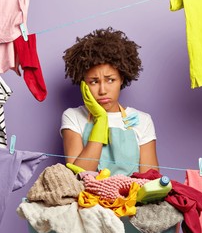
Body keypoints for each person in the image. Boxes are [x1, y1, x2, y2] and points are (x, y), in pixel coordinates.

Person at [60, 27, 159, 176]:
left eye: (110, 80)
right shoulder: (73, 116)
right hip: (86, 198)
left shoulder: (143, 120)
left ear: (122, 79)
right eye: (94, 82)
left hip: (132, 197)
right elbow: (77, 175)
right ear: (83, 84)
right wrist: (100, 120)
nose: (102, 90)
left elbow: (151, 179)